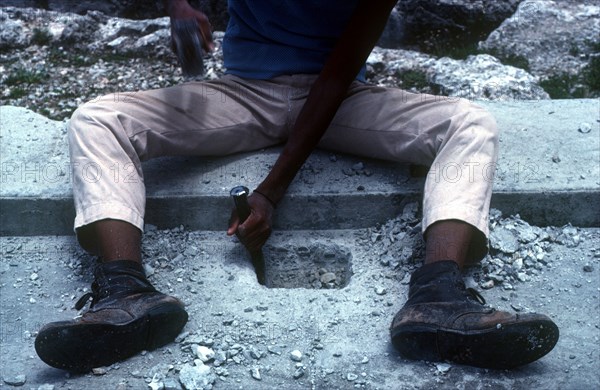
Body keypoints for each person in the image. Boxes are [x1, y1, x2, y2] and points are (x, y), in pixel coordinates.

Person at [35, 0, 559, 372]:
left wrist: (271, 189)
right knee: (98, 117)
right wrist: (180, 7)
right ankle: (124, 292)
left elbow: (334, 78)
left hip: (342, 99)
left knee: (470, 122)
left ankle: (439, 296)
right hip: (243, 94)